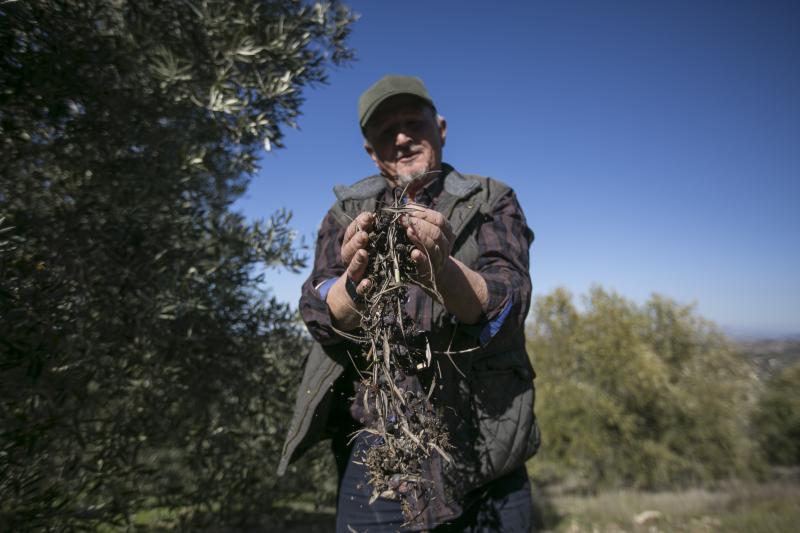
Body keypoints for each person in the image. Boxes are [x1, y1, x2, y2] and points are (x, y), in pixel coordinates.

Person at [279, 75, 539, 532]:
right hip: (380, 453)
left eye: (412, 122)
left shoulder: (491, 200)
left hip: (487, 449)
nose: (401, 138)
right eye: (385, 130)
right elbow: (318, 302)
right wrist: (354, 283)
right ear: (370, 150)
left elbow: (510, 296)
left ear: (439, 127)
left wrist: (444, 270)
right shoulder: (346, 211)